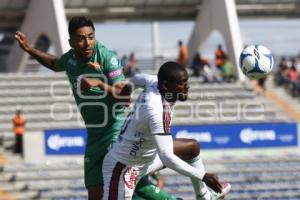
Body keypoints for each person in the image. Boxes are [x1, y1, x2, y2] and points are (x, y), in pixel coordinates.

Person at [14, 16, 166, 200]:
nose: (87, 43)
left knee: (129, 186)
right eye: (81, 38)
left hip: (114, 131)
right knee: (95, 190)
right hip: (94, 136)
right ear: (71, 42)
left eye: (91, 37)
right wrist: (29, 49)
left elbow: (125, 97)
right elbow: (54, 64)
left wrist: (99, 82)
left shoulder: (107, 58)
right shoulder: (70, 59)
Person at [102, 62, 231, 200]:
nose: (187, 86)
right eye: (181, 83)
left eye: (187, 82)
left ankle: (205, 197)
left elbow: (138, 78)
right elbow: (167, 158)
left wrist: (128, 89)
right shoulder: (157, 110)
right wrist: (203, 176)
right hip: (124, 168)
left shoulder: (154, 82)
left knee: (191, 147)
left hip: (145, 161)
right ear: (165, 86)